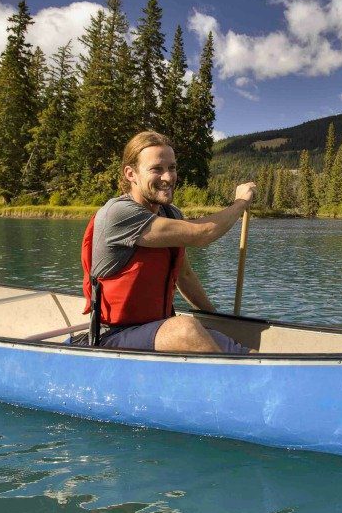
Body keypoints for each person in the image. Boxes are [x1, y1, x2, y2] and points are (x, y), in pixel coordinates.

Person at [81, 131, 256, 353]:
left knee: (244, 350)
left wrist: (219, 320)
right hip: (113, 336)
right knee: (185, 329)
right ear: (131, 174)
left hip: (155, 329)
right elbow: (202, 233)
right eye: (157, 169)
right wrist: (240, 203)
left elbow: (184, 276)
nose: (168, 177)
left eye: (172, 168)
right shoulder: (119, 213)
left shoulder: (171, 214)